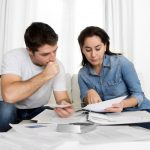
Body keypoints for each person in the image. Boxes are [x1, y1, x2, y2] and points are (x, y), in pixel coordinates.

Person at [0, 22, 74, 132]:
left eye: (55, 51)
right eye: (45, 54)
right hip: (10, 107)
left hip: (37, 109)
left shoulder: (58, 65)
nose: (53, 58)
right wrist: (45, 75)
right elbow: (9, 96)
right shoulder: (13, 57)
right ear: (30, 51)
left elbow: (62, 98)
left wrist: (64, 104)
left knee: (52, 116)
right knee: (7, 110)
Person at [78, 26, 150, 113]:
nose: (93, 54)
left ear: (105, 46)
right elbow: (85, 102)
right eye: (88, 50)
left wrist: (122, 104)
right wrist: (89, 93)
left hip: (139, 111)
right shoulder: (83, 74)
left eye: (98, 48)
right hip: (111, 118)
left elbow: (139, 95)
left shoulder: (121, 63)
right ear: (82, 50)